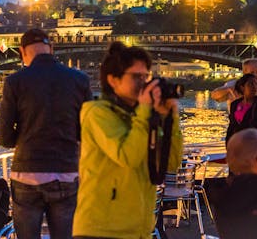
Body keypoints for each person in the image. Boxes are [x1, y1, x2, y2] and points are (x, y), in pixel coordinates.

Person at [72, 42, 183, 238]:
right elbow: (127, 157)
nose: (143, 83)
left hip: (138, 230)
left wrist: (170, 119)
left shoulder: (142, 116)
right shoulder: (97, 113)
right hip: (101, 230)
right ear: (113, 80)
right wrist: (144, 112)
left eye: (146, 76)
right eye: (136, 77)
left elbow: (171, 164)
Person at [0, 28, 92, 239]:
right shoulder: (79, 80)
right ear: (52, 48)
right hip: (66, 173)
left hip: (27, 174)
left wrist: (20, 137)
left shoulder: (15, 82)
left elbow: (2, 136)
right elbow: (88, 132)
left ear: (21, 51)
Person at [225, 73, 257, 144]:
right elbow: (232, 126)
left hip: (254, 143)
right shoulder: (235, 104)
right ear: (242, 87)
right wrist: (228, 142)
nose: (254, 87)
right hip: (237, 143)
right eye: (251, 84)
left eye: (256, 84)